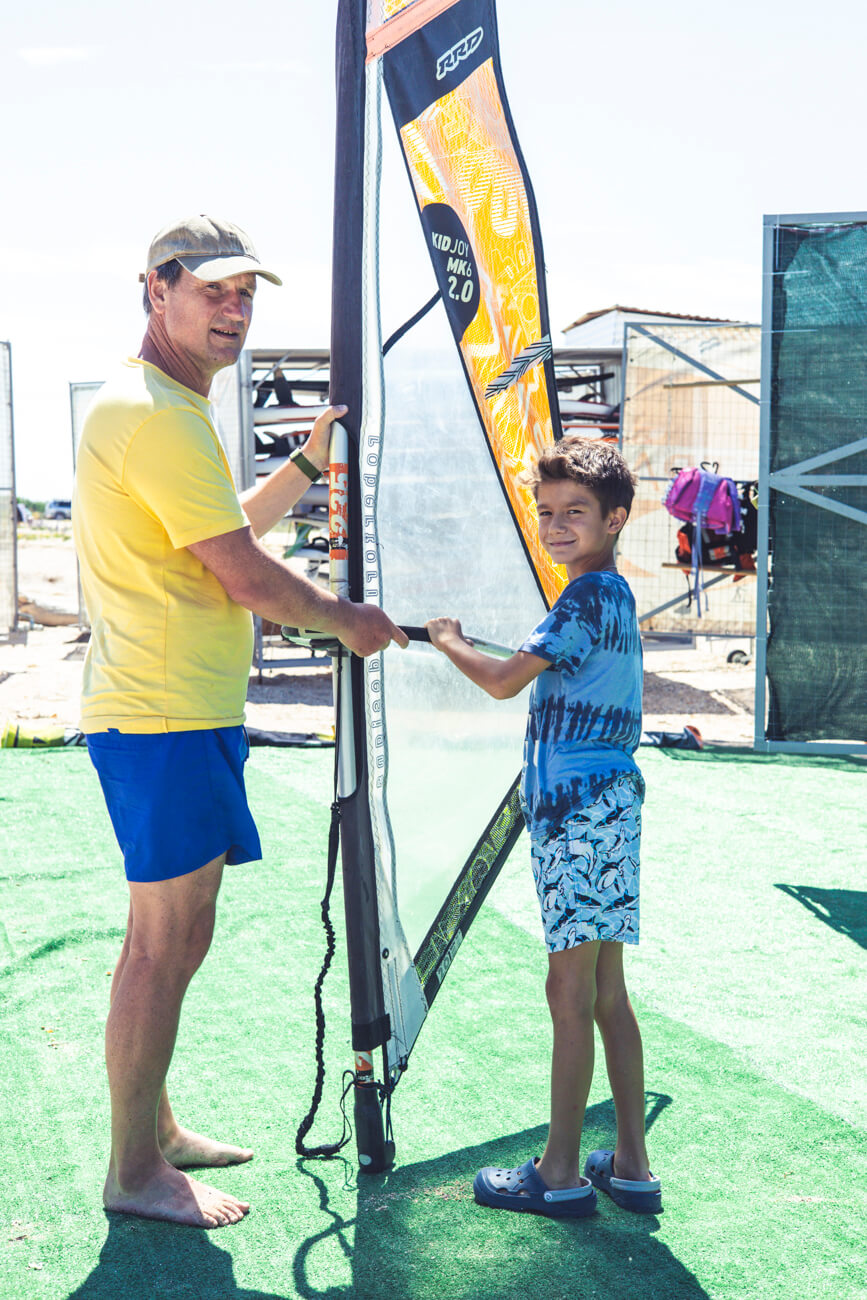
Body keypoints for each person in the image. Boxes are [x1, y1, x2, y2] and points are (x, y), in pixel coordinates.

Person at [72, 214, 409, 1230]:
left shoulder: (167, 406)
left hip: (175, 710)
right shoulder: (157, 414)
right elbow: (244, 574)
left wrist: (304, 463)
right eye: (213, 290)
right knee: (163, 942)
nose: (234, 309)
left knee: (173, 937)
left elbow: (221, 529)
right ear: (156, 288)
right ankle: (135, 1170)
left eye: (245, 293)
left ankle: (155, 1129)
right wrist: (345, 620)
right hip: (163, 715)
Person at [425, 437, 661, 1219]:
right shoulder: (612, 596)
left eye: (575, 513)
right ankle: (629, 1165)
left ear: (614, 519)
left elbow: (501, 682)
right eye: (547, 511)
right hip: (611, 805)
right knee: (605, 991)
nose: (556, 526)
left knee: (568, 990)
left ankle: (557, 1172)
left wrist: (448, 640)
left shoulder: (584, 597)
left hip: (576, 814)